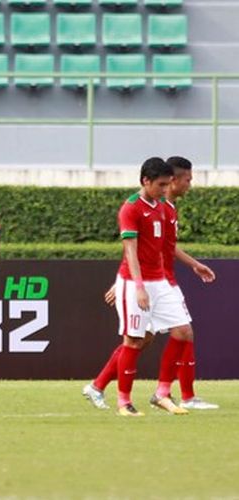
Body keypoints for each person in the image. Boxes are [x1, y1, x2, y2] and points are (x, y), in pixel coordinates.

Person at [84, 157, 218, 411]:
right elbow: (131, 249)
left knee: (177, 333)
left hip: (161, 282)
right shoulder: (138, 206)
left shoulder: (164, 207)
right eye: (186, 180)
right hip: (151, 281)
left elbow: (163, 247)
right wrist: (130, 283)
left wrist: (193, 264)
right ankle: (134, 397)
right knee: (138, 340)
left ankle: (155, 392)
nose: (188, 185)